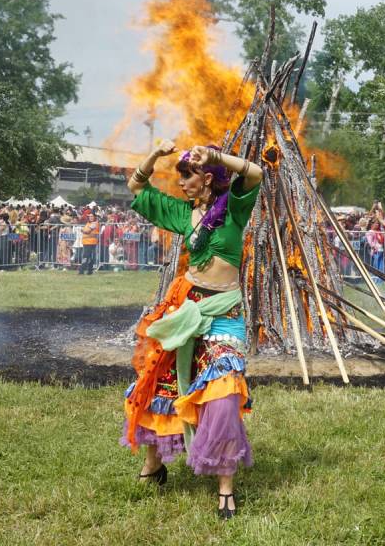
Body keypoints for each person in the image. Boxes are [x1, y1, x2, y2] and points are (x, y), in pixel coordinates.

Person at [121, 139, 262, 520]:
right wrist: (156, 156)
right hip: (187, 308)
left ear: (209, 178)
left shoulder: (233, 208)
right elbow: (137, 187)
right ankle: (154, 466)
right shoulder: (184, 214)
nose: (182, 183)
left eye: (188, 175)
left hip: (224, 314)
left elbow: (256, 172)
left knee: (223, 395)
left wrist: (215, 155)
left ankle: (226, 489)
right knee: (160, 381)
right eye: (180, 176)